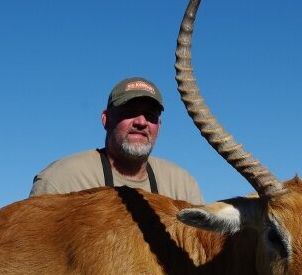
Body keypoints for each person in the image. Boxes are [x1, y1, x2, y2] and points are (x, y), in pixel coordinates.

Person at [30, 77, 204, 204]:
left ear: (159, 125)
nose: (141, 122)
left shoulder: (183, 186)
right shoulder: (61, 180)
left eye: (150, 115)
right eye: (129, 112)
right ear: (106, 119)